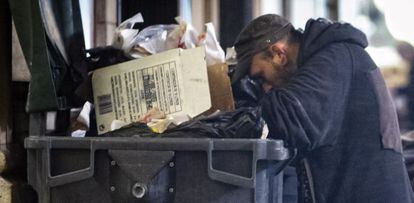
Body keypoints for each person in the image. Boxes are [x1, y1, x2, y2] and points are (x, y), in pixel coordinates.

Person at [232, 14, 414, 203]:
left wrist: (248, 101)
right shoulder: (330, 59)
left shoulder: (335, 58)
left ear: (278, 54)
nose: (264, 87)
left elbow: (288, 119)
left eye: (261, 76)